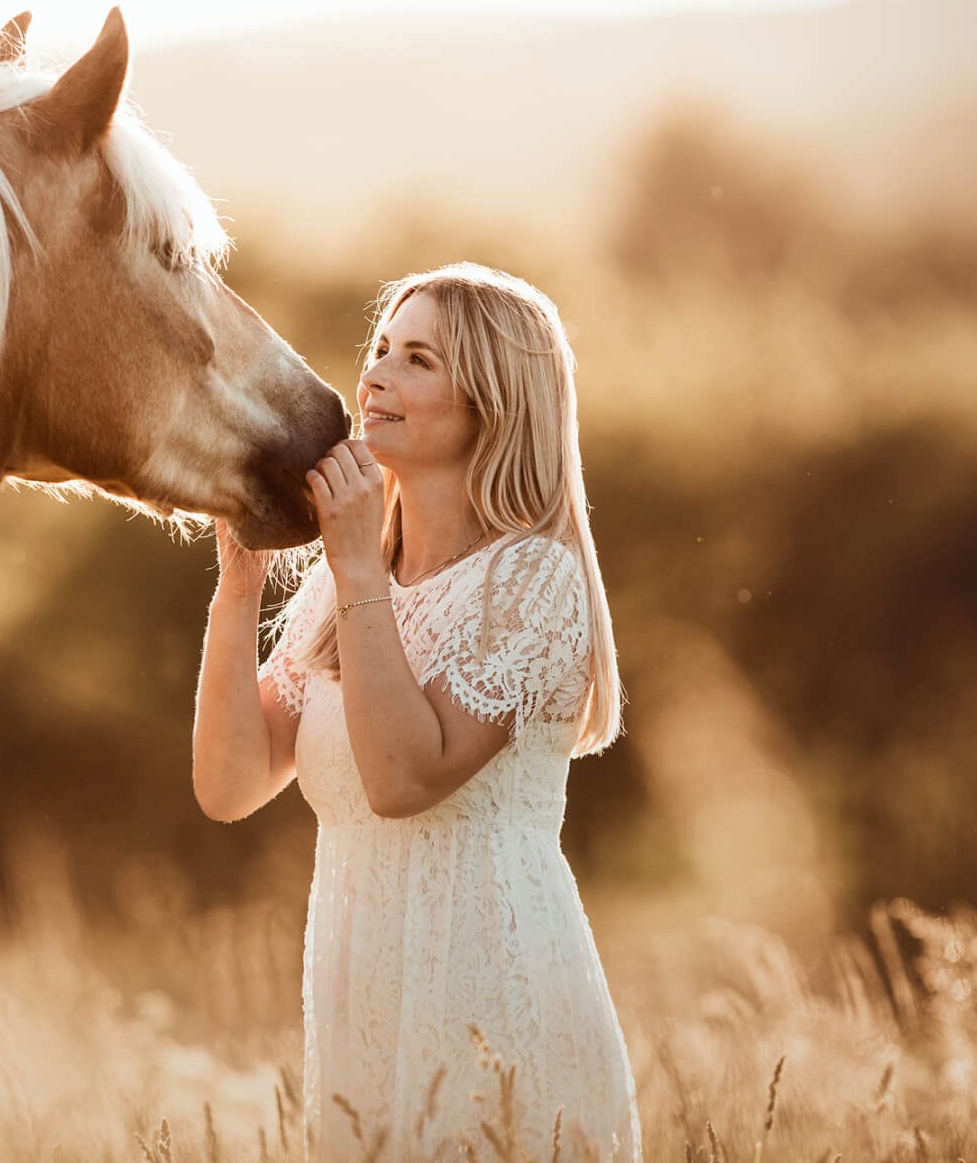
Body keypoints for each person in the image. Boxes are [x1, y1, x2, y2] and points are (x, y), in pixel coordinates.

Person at [192, 262, 641, 1161]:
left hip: (491, 992)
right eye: (381, 349)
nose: (376, 375)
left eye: (418, 359)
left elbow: (402, 780)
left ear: (492, 404)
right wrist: (238, 589)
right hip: (364, 999)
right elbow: (231, 785)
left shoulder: (531, 579)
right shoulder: (338, 585)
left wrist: (358, 568)